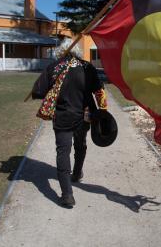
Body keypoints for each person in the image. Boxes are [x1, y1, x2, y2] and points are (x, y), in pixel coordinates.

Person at [31, 38, 107, 207]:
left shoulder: (55, 67)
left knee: (63, 152)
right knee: (80, 144)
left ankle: (67, 195)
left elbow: (38, 91)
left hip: (63, 116)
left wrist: (37, 92)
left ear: (61, 51)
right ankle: (77, 172)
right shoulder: (87, 67)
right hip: (85, 115)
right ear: (77, 51)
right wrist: (102, 111)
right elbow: (99, 90)